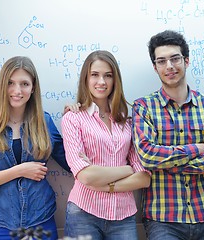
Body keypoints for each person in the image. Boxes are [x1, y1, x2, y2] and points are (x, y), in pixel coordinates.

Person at [132, 30, 204, 240]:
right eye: (162, 61)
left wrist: (169, 165)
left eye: (175, 58)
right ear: (155, 67)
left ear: (186, 60)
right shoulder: (143, 107)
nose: (169, 66)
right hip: (162, 218)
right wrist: (196, 148)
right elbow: (148, 156)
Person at [0, 56, 71, 240]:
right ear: (2, 85)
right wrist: (20, 170)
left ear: (33, 87)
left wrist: (78, 120)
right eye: (10, 83)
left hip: (41, 219)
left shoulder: (44, 122)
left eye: (24, 84)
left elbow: (70, 161)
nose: (17, 90)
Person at [61, 50, 151, 240]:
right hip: (83, 213)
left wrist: (103, 183)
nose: (101, 81)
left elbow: (143, 178)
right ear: (86, 78)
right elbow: (85, 176)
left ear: (115, 80)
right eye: (95, 74)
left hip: (123, 216)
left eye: (108, 75)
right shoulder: (73, 119)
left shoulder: (127, 123)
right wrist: (127, 169)